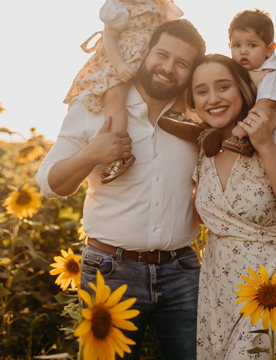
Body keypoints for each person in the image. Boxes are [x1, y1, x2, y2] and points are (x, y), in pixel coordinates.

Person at [38, 19, 207, 360]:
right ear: (145, 52)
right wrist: (91, 154)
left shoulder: (198, 118)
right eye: (162, 55)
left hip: (183, 272)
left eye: (182, 63)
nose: (168, 67)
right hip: (110, 271)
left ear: (191, 72)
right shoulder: (95, 105)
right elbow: (49, 184)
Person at [189, 54, 276, 360]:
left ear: (242, 89)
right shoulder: (204, 151)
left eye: (223, 86)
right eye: (201, 91)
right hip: (220, 291)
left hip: (275, 289)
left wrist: (264, 145)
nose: (213, 98)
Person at [63, 0, 184, 183]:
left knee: (179, 80)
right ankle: (119, 151)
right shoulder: (118, 5)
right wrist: (119, 65)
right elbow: (110, 37)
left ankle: (181, 115)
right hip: (123, 58)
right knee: (114, 99)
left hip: (152, 61)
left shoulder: (162, 4)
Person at [223, 8, 276, 156]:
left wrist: (246, 126)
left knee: (273, 112)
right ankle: (207, 133)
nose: (243, 51)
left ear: (269, 50)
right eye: (237, 45)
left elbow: (265, 105)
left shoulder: (271, 73)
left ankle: (248, 139)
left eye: (252, 45)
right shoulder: (234, 71)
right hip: (254, 114)